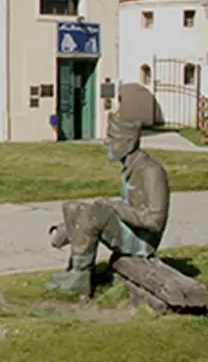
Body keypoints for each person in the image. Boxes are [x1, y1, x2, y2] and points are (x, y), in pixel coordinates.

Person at [46, 113, 170, 298]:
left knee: (97, 213)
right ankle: (74, 268)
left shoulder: (151, 171)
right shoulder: (132, 166)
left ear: (128, 142)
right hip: (131, 228)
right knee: (74, 207)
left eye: (112, 138)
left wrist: (115, 208)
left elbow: (155, 221)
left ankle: (81, 276)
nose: (106, 142)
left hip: (142, 241)